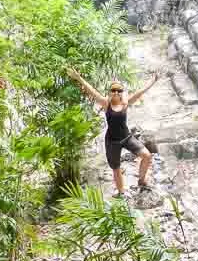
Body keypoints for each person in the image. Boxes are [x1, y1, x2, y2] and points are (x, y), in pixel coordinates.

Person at [65, 68, 162, 197]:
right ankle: (122, 193)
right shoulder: (106, 103)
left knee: (147, 156)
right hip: (112, 141)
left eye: (119, 90)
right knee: (116, 168)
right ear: (110, 92)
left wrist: (153, 81)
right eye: (113, 90)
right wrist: (78, 78)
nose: (116, 92)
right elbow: (92, 91)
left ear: (122, 93)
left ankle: (142, 181)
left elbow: (140, 92)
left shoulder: (125, 103)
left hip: (126, 137)